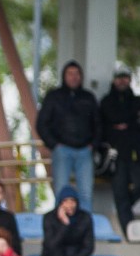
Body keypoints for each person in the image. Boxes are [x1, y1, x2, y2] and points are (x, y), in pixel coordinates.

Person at [36, 60, 101, 212]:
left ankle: (84, 229)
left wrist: (93, 145)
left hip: (85, 151)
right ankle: (61, 227)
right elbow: (41, 123)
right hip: (62, 150)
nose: (73, 77)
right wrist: (54, 145)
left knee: (86, 193)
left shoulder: (88, 97)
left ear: (81, 76)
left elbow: (98, 124)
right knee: (61, 192)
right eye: (70, 74)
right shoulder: (54, 96)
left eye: (76, 74)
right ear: (64, 76)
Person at [100, 68, 140, 236]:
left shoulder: (139, 101)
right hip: (116, 156)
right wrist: (133, 121)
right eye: (119, 78)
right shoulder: (107, 101)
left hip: (137, 155)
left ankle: (125, 210)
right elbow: (108, 120)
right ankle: (128, 233)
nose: (122, 81)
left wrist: (128, 124)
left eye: (125, 78)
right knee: (120, 193)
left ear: (130, 80)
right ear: (113, 80)